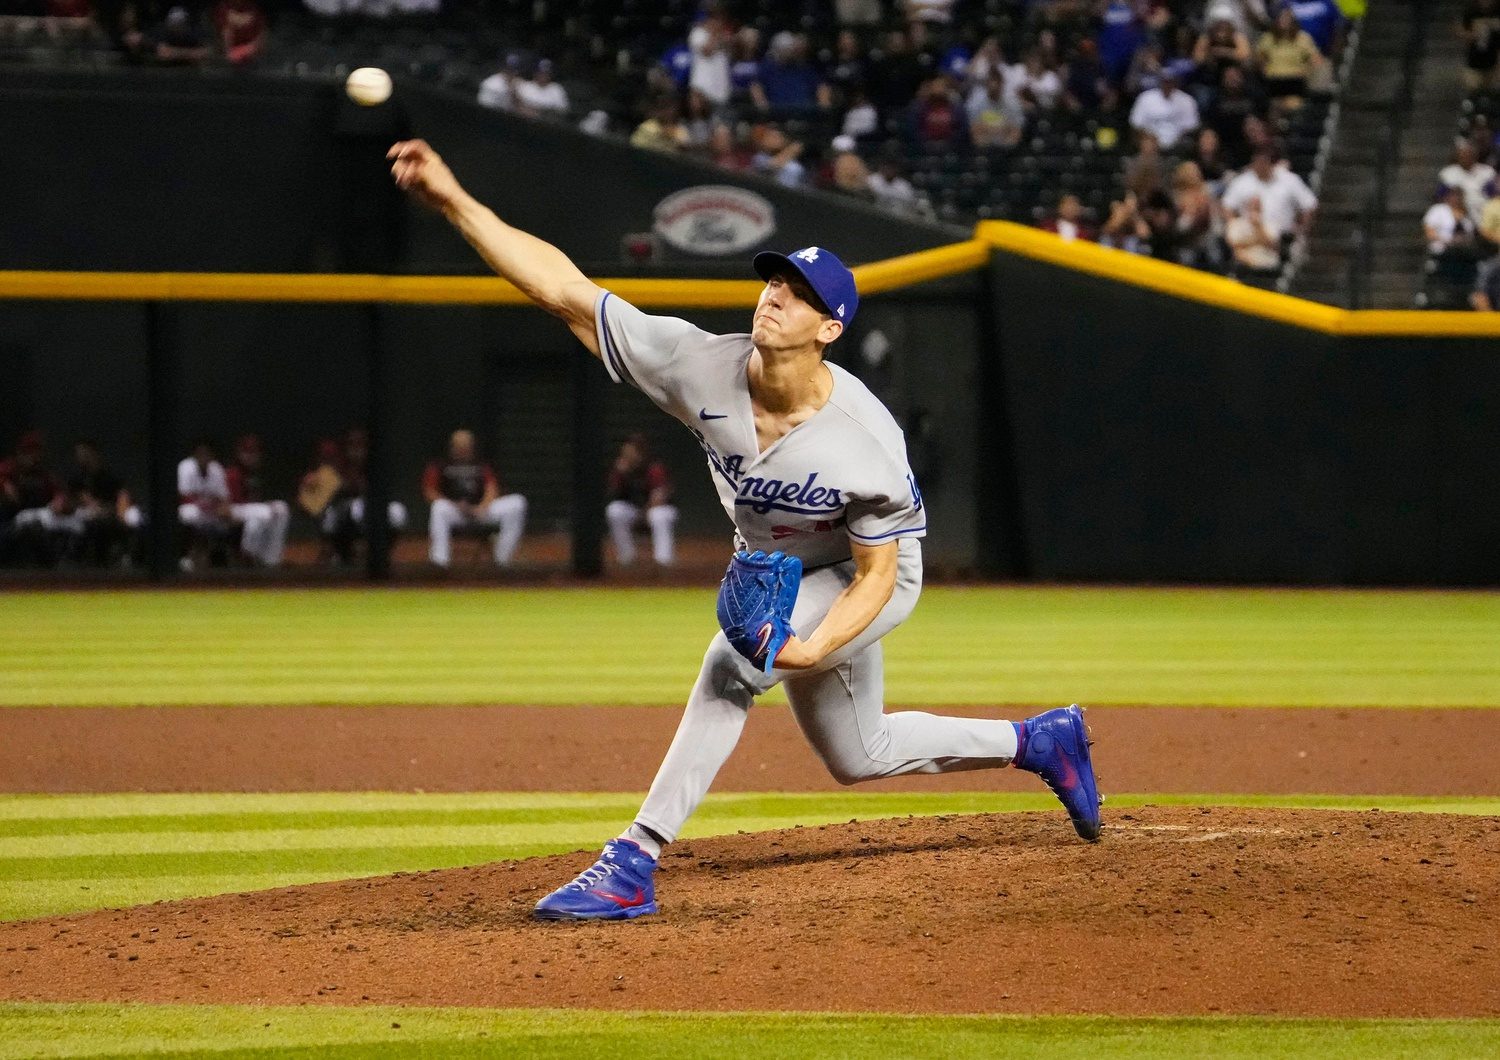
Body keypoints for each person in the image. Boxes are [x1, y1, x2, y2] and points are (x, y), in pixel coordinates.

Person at [387, 137, 1104, 921]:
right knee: (856, 755)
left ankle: (633, 860)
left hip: (865, 574)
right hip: (775, 563)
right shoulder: (697, 364)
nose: (773, 296)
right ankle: (1040, 742)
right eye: (773, 281)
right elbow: (562, 289)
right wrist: (452, 197)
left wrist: (813, 648)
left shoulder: (864, 442)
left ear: (829, 328)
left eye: (797, 293)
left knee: (732, 664)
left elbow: (874, 574)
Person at [422, 428, 527, 568]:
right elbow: (429, 491)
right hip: (455, 511)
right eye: (459, 446)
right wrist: (455, 505)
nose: (463, 450)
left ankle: (502, 561)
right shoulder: (440, 465)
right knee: (438, 507)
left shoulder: (481, 465)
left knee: (518, 503)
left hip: (480, 510)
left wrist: (482, 507)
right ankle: (440, 563)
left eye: (467, 446)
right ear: (452, 446)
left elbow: (492, 488)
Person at [605, 433, 677, 567]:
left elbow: (659, 498)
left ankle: (664, 562)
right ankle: (627, 558)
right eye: (625, 452)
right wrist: (621, 475)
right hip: (635, 510)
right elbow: (615, 495)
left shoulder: (654, 468)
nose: (627, 455)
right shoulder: (622, 470)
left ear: (640, 453)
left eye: (631, 452)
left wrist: (643, 514)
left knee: (659, 515)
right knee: (615, 511)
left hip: (655, 509)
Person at [1220, 146, 1318, 244]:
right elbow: (1227, 206)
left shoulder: (1289, 179)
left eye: (1264, 162)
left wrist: (1302, 229)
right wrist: (1235, 228)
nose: (1261, 165)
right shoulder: (1242, 182)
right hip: (1251, 238)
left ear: (1272, 163)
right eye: (1257, 162)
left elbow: (1310, 204)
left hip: (1283, 237)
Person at [225, 434, 290, 568]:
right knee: (259, 519)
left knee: (281, 509)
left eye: (253, 452)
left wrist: (265, 506)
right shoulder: (233, 473)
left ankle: (271, 561)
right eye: (246, 452)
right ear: (239, 453)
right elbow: (232, 503)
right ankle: (247, 558)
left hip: (251, 512)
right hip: (232, 511)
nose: (250, 456)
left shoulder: (258, 473)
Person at [176, 440, 235, 571]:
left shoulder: (216, 468)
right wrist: (204, 502)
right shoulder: (186, 467)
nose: (204, 457)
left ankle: (224, 559)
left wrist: (219, 507)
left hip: (210, 513)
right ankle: (186, 555)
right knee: (189, 513)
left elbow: (224, 498)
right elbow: (183, 496)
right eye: (200, 454)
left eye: (207, 454)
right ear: (194, 455)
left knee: (229, 516)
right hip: (191, 512)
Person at [1128, 69, 1200, 150]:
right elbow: (1136, 124)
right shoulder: (1145, 98)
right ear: (1160, 82)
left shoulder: (1187, 100)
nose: (1167, 85)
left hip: (1178, 144)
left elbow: (1192, 126)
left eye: (1170, 82)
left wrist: (1176, 140)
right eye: (1165, 81)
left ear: (1176, 82)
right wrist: (1151, 139)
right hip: (1150, 143)